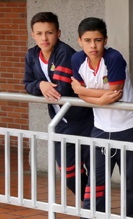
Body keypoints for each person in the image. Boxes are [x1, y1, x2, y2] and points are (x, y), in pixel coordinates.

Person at [61, 17, 133, 219]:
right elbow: (104, 96)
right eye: (88, 40)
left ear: (105, 40)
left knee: (130, 181)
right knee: (95, 182)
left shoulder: (114, 58)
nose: (93, 45)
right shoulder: (77, 60)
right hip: (100, 129)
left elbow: (115, 93)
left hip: (129, 126)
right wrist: (98, 98)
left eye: (98, 40)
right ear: (79, 41)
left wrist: (82, 91)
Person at [23, 12, 93, 206]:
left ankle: (95, 210)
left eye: (49, 32)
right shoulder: (32, 55)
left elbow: (60, 89)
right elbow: (27, 84)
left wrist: (42, 86)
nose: (44, 38)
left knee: (94, 171)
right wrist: (40, 85)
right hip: (60, 122)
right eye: (39, 33)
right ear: (33, 35)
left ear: (58, 33)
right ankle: (92, 207)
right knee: (69, 173)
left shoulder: (64, 52)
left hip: (85, 121)